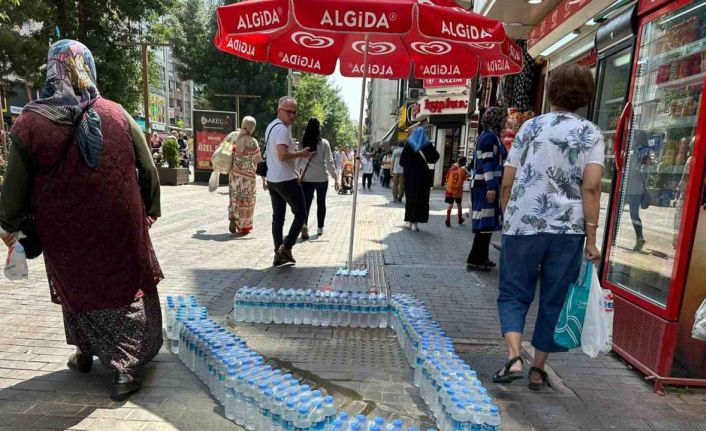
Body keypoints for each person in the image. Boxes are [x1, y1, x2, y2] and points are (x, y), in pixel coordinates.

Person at [0, 40, 163, 400]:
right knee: (124, 286)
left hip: (63, 228)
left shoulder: (30, 121)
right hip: (119, 223)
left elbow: (16, 183)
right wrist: (150, 208)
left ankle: (86, 352)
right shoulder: (117, 113)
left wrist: (8, 224)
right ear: (87, 66)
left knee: (76, 284)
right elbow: (147, 167)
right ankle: (124, 370)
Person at [493, 64, 603, 391]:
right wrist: (592, 238)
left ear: (551, 91)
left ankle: (514, 356)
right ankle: (538, 370)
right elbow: (592, 186)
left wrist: (507, 213)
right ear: (585, 96)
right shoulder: (591, 133)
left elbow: (508, 180)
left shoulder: (529, 129)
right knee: (554, 297)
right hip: (568, 230)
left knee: (514, 292)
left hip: (523, 223)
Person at [263, 96, 312, 266]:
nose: (291, 115)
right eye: (288, 112)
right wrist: (301, 153)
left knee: (278, 217)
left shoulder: (270, 126)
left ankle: (278, 253)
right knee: (301, 214)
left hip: (273, 179)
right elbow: (282, 155)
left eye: (294, 112)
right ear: (279, 110)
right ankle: (287, 247)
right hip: (286, 179)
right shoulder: (282, 130)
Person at [467, 107, 508, 271]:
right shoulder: (489, 138)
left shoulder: (490, 136)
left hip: (484, 185)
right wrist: (491, 187)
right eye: (503, 118)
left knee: (487, 224)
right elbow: (487, 163)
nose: (505, 121)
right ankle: (476, 259)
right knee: (484, 223)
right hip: (484, 186)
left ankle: (482, 257)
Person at [299, 118, 338, 239]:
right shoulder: (324, 143)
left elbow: (298, 160)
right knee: (321, 203)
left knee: (306, 203)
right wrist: (336, 178)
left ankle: (304, 225)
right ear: (319, 128)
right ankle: (320, 228)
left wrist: (296, 174)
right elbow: (329, 162)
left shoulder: (303, 142)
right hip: (322, 178)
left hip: (306, 179)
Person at [400, 127, 440, 232]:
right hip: (422, 176)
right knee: (420, 198)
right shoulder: (427, 144)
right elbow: (435, 157)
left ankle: (409, 221)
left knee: (410, 197)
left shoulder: (409, 144)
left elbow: (402, 161)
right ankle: (415, 224)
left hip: (409, 176)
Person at [227, 116, 262, 235]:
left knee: (234, 198)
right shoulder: (252, 141)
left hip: (235, 175)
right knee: (247, 200)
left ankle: (233, 216)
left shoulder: (232, 137)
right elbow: (257, 159)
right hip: (248, 177)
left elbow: (224, 151)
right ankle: (244, 226)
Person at [445, 156, 468, 227]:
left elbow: (446, 177)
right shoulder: (463, 170)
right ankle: (460, 220)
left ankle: (448, 219)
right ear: (464, 163)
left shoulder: (451, 168)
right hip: (458, 191)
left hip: (450, 190)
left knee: (450, 205)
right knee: (459, 205)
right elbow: (465, 179)